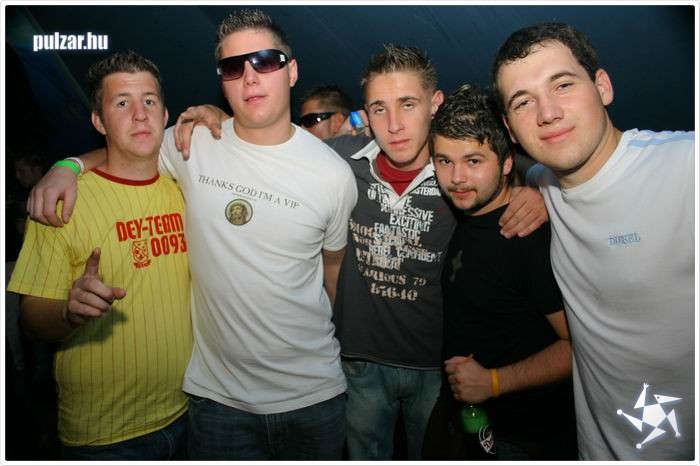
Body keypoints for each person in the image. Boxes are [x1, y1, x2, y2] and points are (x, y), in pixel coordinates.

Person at [169, 43, 549, 461]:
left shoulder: (455, 172)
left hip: (437, 364)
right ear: (365, 114)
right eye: (380, 109)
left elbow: (510, 158)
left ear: (435, 104)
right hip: (358, 361)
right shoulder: (338, 160)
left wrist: (541, 188)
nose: (395, 125)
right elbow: (275, 142)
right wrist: (219, 116)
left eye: (408, 105)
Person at [26, 10, 357, 461]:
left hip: (314, 397)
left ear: (292, 70)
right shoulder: (191, 143)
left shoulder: (334, 175)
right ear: (222, 82)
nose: (250, 77)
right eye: (233, 67)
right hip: (217, 403)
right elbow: (129, 148)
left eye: (265, 60)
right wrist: (67, 166)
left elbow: (332, 273)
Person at [491, 22, 694, 461]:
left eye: (562, 85)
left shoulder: (685, 168)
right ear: (510, 128)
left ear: (602, 86)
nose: (547, 113)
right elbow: (537, 169)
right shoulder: (546, 182)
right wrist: (535, 189)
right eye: (524, 102)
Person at [7, 50, 192, 460]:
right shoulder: (61, 203)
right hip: (107, 435)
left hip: (193, 409)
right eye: (122, 103)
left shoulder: (186, 187)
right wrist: (68, 312)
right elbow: (32, 320)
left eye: (149, 101)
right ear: (98, 121)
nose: (140, 114)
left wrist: (69, 163)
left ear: (165, 115)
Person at [424, 83, 576, 460]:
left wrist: (494, 381)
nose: (457, 177)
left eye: (474, 161)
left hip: (521, 437)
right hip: (461, 420)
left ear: (507, 162)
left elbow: (578, 347)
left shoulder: (527, 238)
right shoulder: (468, 215)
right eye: (444, 161)